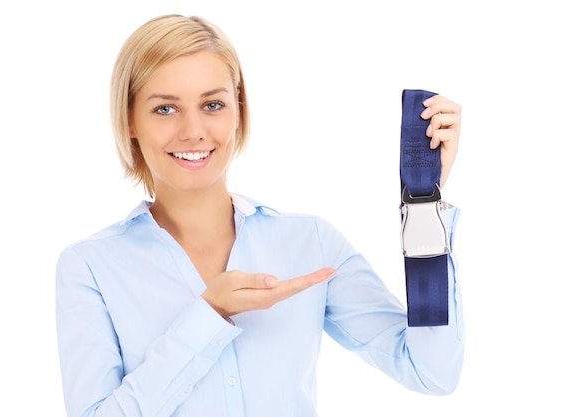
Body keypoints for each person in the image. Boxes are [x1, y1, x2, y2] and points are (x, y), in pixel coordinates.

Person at [55, 14, 464, 417]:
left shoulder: (310, 243)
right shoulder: (90, 267)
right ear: (130, 119)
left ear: (238, 110)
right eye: (165, 109)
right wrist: (207, 316)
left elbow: (430, 372)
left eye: (212, 104)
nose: (193, 130)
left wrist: (423, 207)